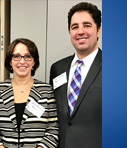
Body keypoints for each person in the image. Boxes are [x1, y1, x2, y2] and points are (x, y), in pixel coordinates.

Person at [49, 2, 102, 148]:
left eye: (87, 25)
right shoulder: (57, 68)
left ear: (98, 31)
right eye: (74, 27)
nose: (80, 31)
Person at [0, 38, 58, 148]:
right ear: (10, 61)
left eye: (28, 56)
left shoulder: (46, 91)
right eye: (16, 56)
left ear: (34, 61)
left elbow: (53, 129)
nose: (22, 61)